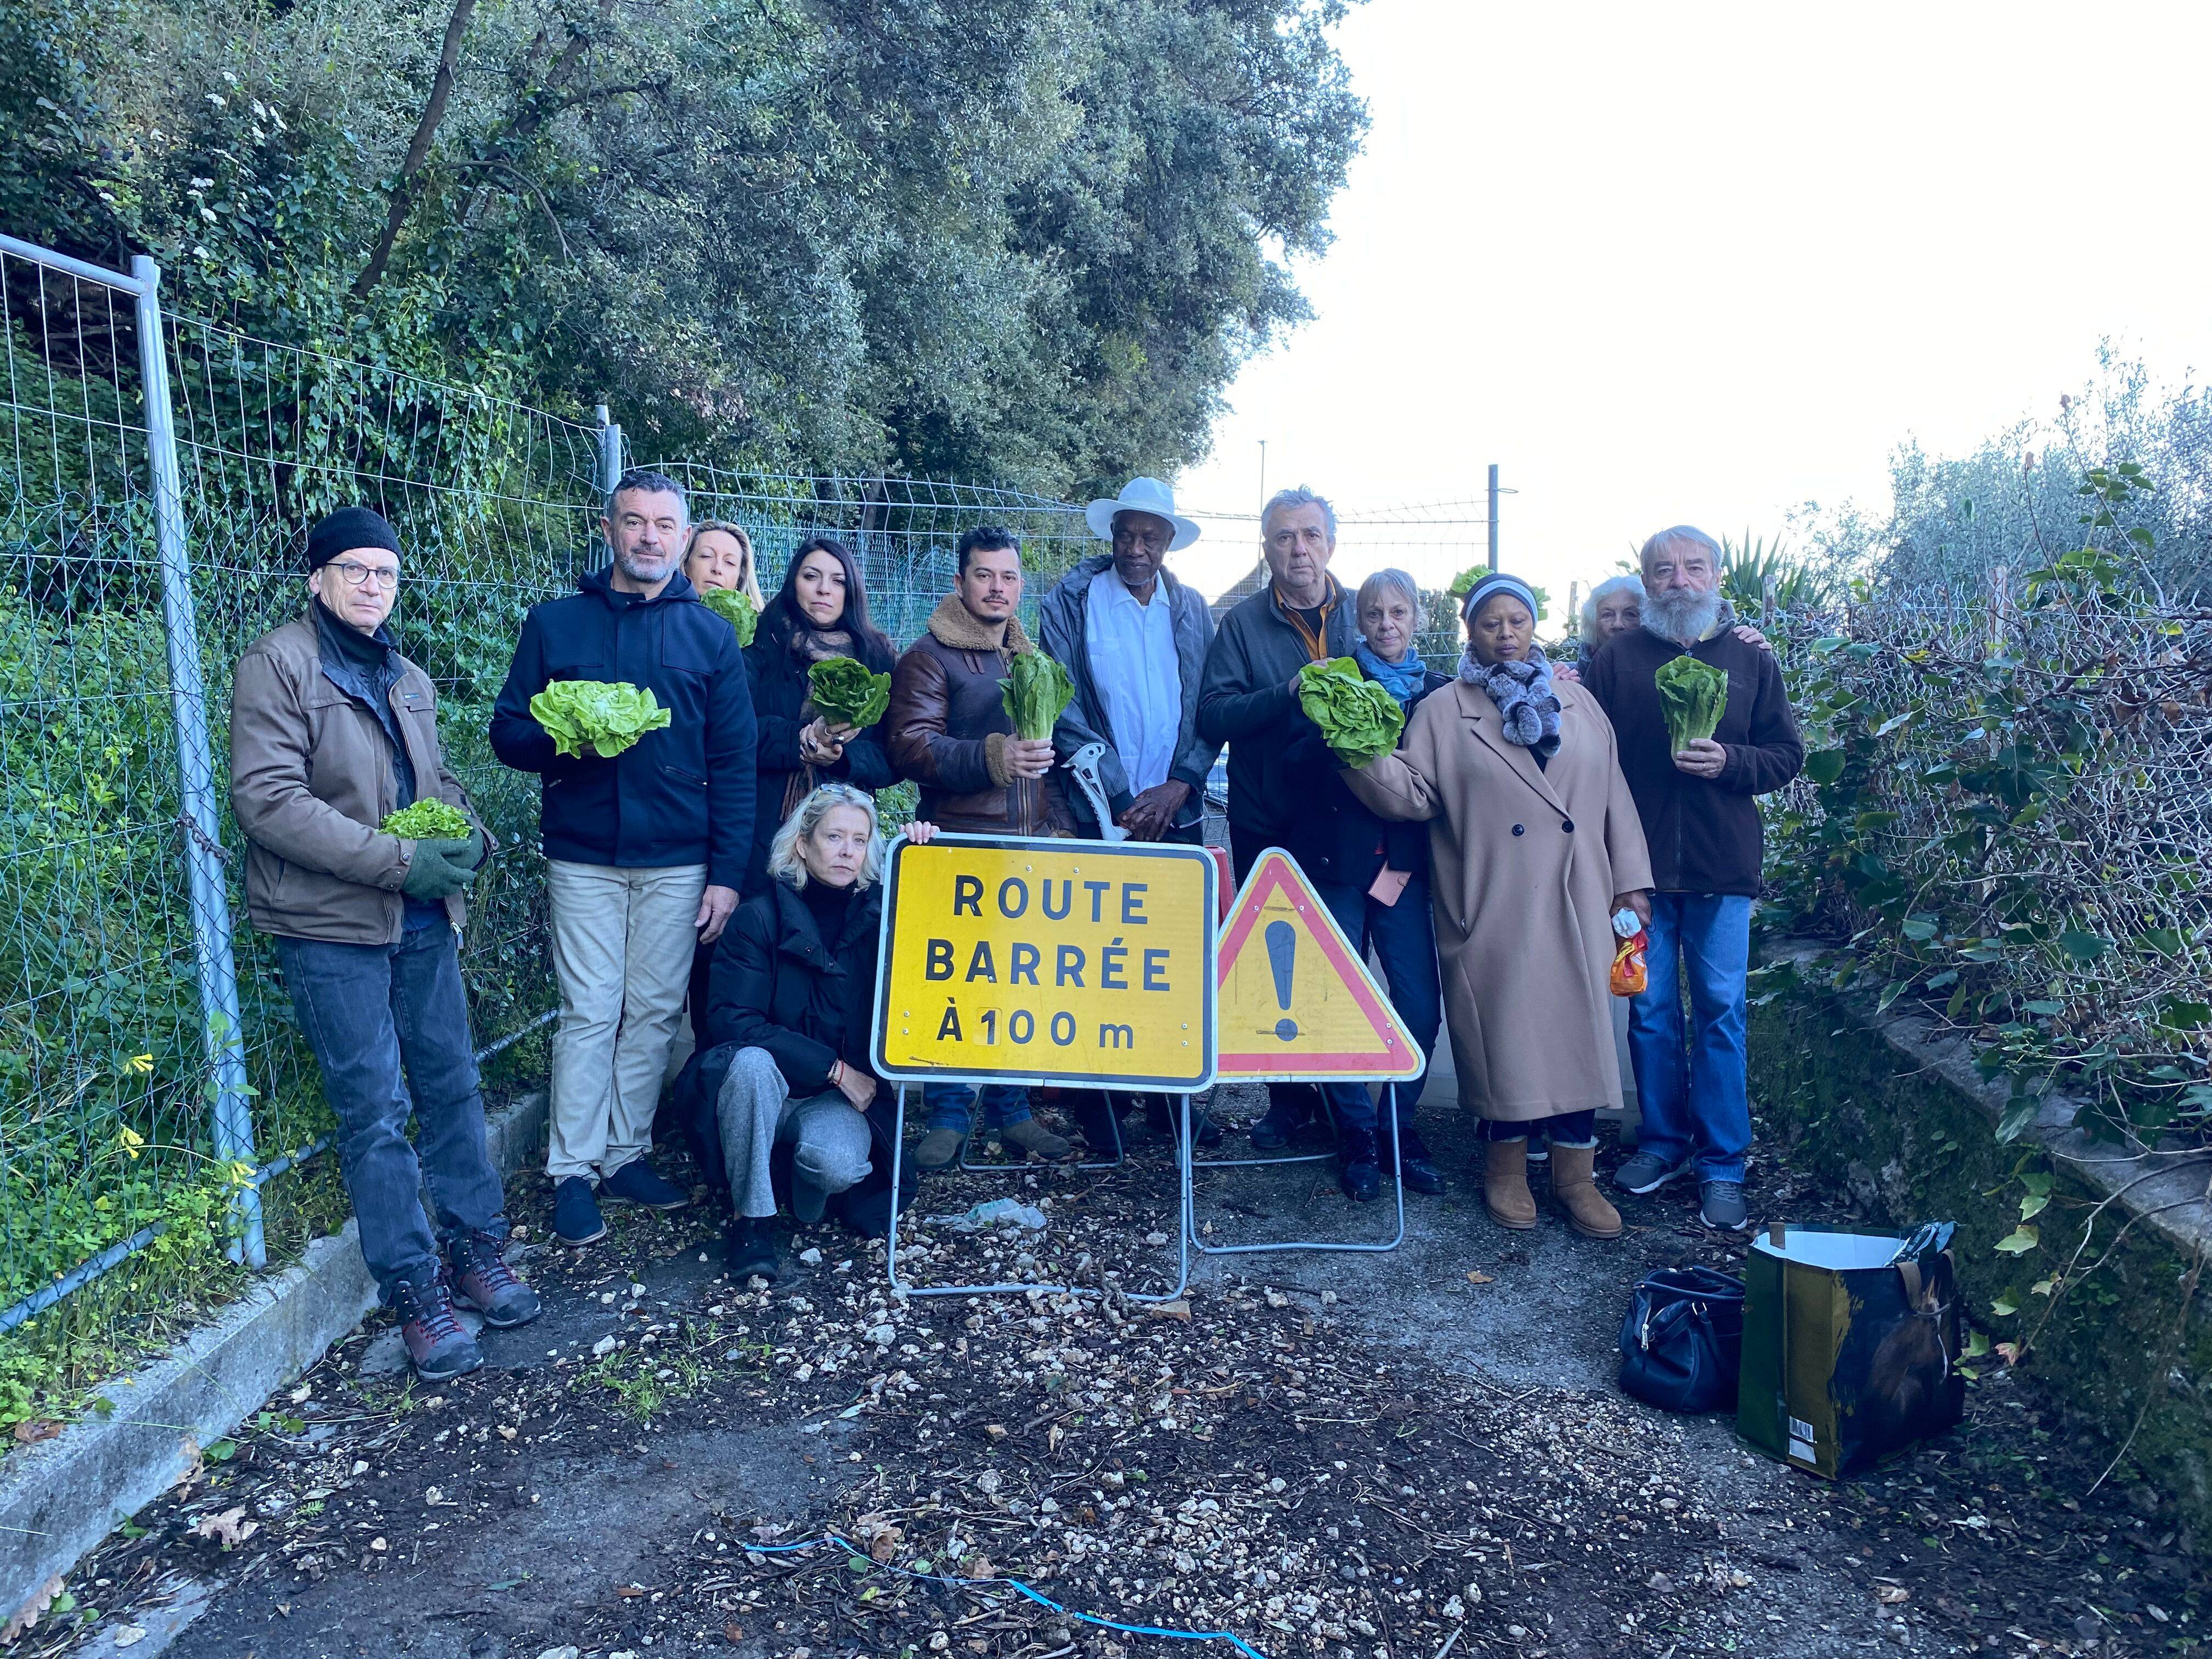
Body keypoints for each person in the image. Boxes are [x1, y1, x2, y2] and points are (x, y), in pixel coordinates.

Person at [230, 507, 537, 1383]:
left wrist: (473, 838)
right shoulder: (278, 664)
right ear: (318, 578)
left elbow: (435, 782)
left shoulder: (406, 673)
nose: (373, 587)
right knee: (375, 1111)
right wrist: (403, 862)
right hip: (331, 928)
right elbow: (270, 802)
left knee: (452, 1084)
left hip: (422, 924)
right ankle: (415, 1294)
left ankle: (477, 1254)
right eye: (357, 571)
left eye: (386, 574)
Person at [490, 468, 758, 1248]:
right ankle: (571, 1169)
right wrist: (561, 738)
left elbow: (735, 762)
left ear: (683, 536)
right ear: (608, 530)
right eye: (633, 522)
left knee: (651, 1012)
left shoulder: (709, 634)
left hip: (678, 860)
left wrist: (727, 878)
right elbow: (508, 732)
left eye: (663, 525)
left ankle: (625, 1152)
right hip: (584, 855)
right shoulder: (555, 623)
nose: (648, 537)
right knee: (589, 1010)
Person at [1341, 573, 1654, 1239]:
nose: (1505, 634)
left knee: (1580, 1038)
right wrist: (1356, 753)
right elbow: (1414, 796)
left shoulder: (1578, 702)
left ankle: (1576, 1177)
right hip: (1494, 903)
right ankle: (1505, 1171)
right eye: (1490, 623)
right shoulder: (1442, 710)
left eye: (1517, 621)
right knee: (1507, 1042)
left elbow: (1614, 797)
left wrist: (1631, 884)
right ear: (1470, 632)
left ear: (1533, 626)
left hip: (1578, 897)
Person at [1583, 526, 1804, 1232]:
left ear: (1716, 575)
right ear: (1645, 582)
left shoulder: (1749, 658)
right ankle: (1662, 1144)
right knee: (1648, 1015)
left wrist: (1732, 764)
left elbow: (1786, 754)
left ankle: (1723, 1165)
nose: (1678, 580)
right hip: (1636, 877)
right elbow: (1589, 756)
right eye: (1663, 570)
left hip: (1723, 873)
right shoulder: (1617, 659)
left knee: (1720, 1012)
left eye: (1693, 568)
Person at [885, 525, 1082, 1169]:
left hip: (1028, 843)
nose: (997, 588)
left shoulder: (1031, 659)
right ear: (960, 582)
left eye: (1009, 577)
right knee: (957, 981)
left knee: (1018, 981)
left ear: (1022, 584)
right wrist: (995, 757)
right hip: (961, 846)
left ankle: (1014, 1112)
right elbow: (911, 745)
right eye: (983, 575)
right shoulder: (929, 657)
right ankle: (948, 1112)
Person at [1038, 477, 1224, 1150]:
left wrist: (1180, 783)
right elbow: (1063, 703)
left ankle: (1168, 1098)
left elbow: (1211, 704)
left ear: (1169, 543)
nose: (1136, 548)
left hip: (1176, 811)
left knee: (1170, 962)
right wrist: (1122, 798)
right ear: (1110, 536)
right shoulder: (1072, 601)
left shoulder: (1192, 608)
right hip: (1099, 810)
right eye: (1126, 534)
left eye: (1150, 536)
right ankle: (1100, 1099)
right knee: (1098, 957)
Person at [692, 786, 933, 1283]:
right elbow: (733, 1021)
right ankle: (752, 1221)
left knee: (840, 1167)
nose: (847, 850)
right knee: (751, 1062)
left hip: (828, 1101)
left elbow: (937, 936)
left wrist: (925, 856)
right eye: (834, 836)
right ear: (803, 844)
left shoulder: (880, 916)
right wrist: (837, 1069)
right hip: (762, 1092)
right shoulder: (758, 917)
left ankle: (797, 1188)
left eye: (860, 840)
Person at [1197, 486, 1362, 1176]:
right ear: (1266, 548)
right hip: (1267, 818)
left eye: (1311, 535)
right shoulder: (1241, 626)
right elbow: (1214, 715)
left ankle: (1347, 1108)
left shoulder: (1362, 613)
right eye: (1285, 537)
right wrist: (1286, 693)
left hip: (1348, 821)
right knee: (1275, 962)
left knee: (1343, 961)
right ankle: (1287, 1101)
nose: (1300, 548)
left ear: (1331, 542)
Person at [1273, 568, 1449, 1196]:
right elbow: (1290, 764)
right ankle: (1356, 1136)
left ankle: (1397, 1127)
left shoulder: (1440, 694)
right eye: (1374, 614)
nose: (1386, 625)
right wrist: (1335, 743)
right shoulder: (1333, 682)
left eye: (1398, 613)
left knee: (1419, 1009)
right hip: (1337, 869)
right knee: (1336, 1003)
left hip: (1406, 870)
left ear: (1418, 618)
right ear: (1359, 621)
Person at [684, 519, 765, 609]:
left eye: (730, 562)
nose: (717, 569)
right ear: (685, 562)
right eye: (707, 556)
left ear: (740, 578)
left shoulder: (758, 622)